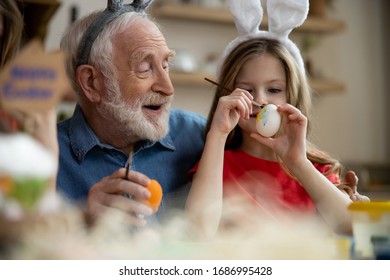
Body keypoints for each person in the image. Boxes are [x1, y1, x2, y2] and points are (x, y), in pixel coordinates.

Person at [185, 0, 367, 239]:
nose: (260, 101)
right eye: (246, 90)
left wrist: (298, 163)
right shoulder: (217, 162)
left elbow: (355, 228)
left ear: (294, 97)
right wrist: (217, 135)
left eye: (273, 90)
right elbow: (196, 234)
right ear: (227, 96)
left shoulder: (313, 167)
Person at [56, 0, 206, 227]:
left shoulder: (202, 137)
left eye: (166, 65)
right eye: (145, 68)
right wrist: (77, 221)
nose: (168, 88)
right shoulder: (40, 158)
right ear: (91, 82)